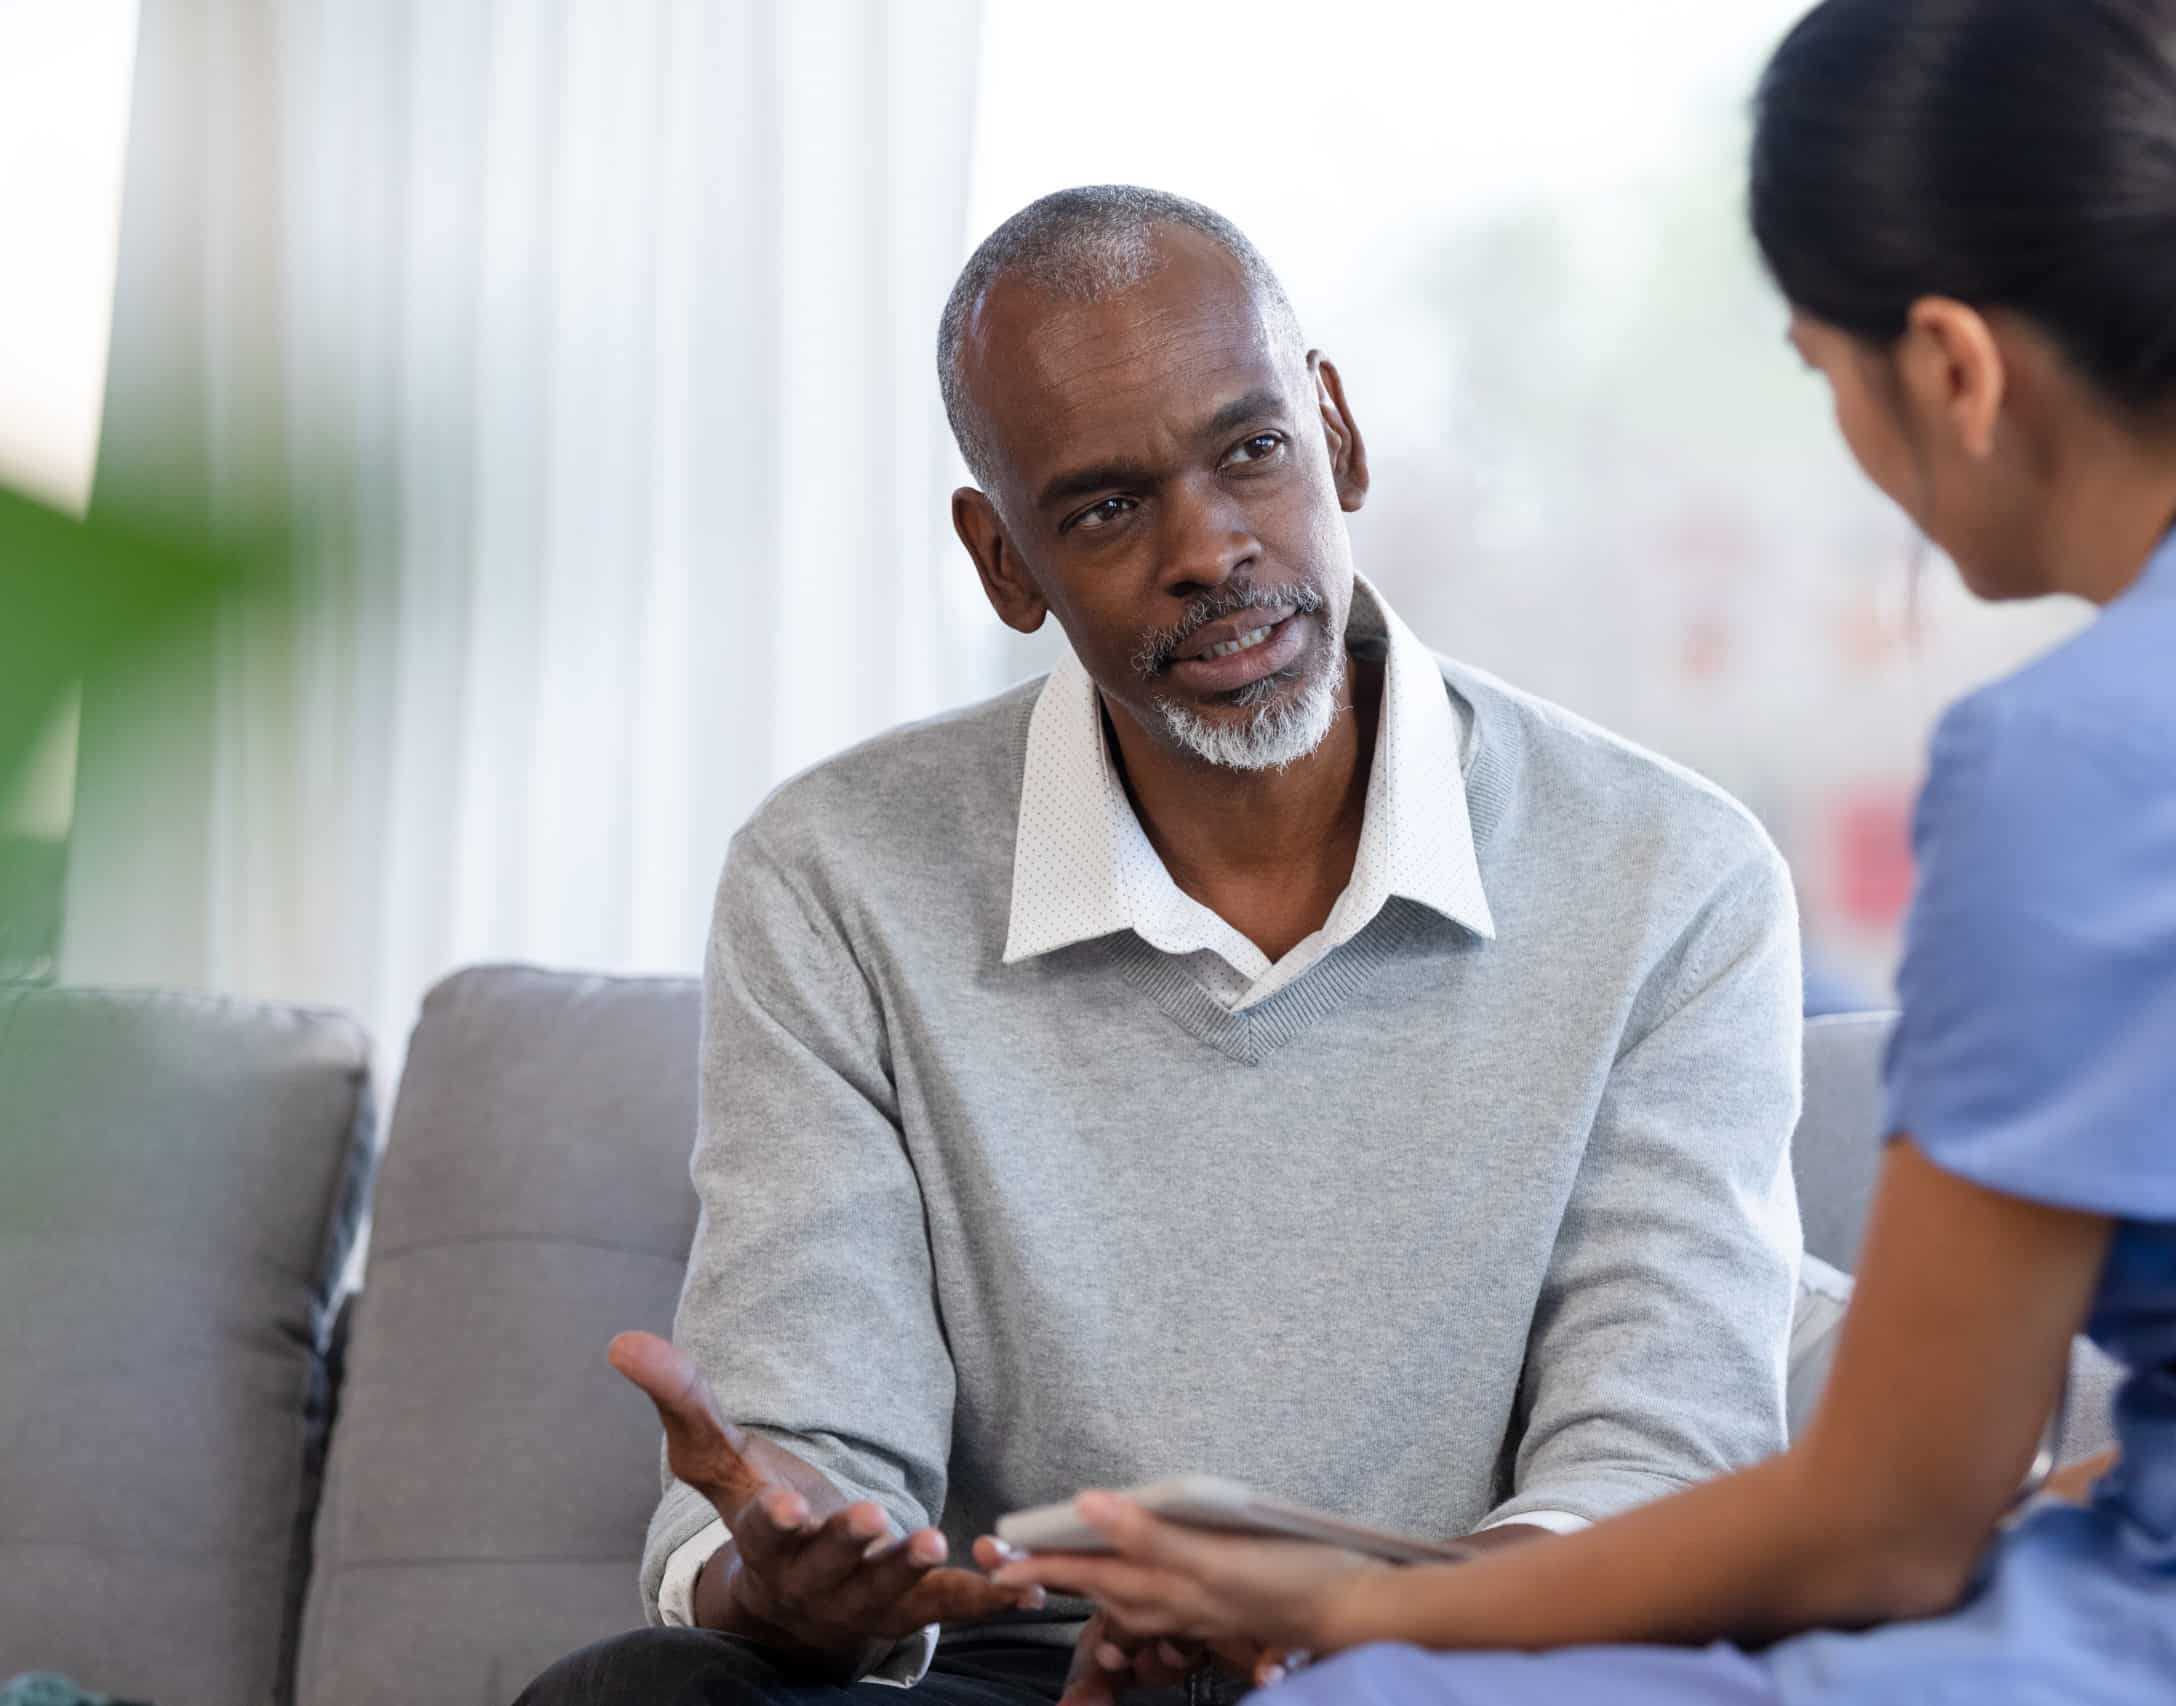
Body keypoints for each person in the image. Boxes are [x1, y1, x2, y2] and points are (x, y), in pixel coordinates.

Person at [984, 3, 2176, 1701]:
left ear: (1952, 366)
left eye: (1825, 376)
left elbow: (1889, 1523)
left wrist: (1357, 1611)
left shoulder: (2094, 754)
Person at [512, 186, 1810, 1706]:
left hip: (1448, 1662)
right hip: (1015, 1675)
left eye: (1252, 449)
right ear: (1004, 564)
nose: (1210, 547)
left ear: (1336, 431)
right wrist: (790, 1583)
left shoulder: (1676, 873)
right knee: (640, 1698)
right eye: (1109, 506)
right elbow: (811, 1463)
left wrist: (1336, 1635)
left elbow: (1654, 1466)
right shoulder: (835, 873)